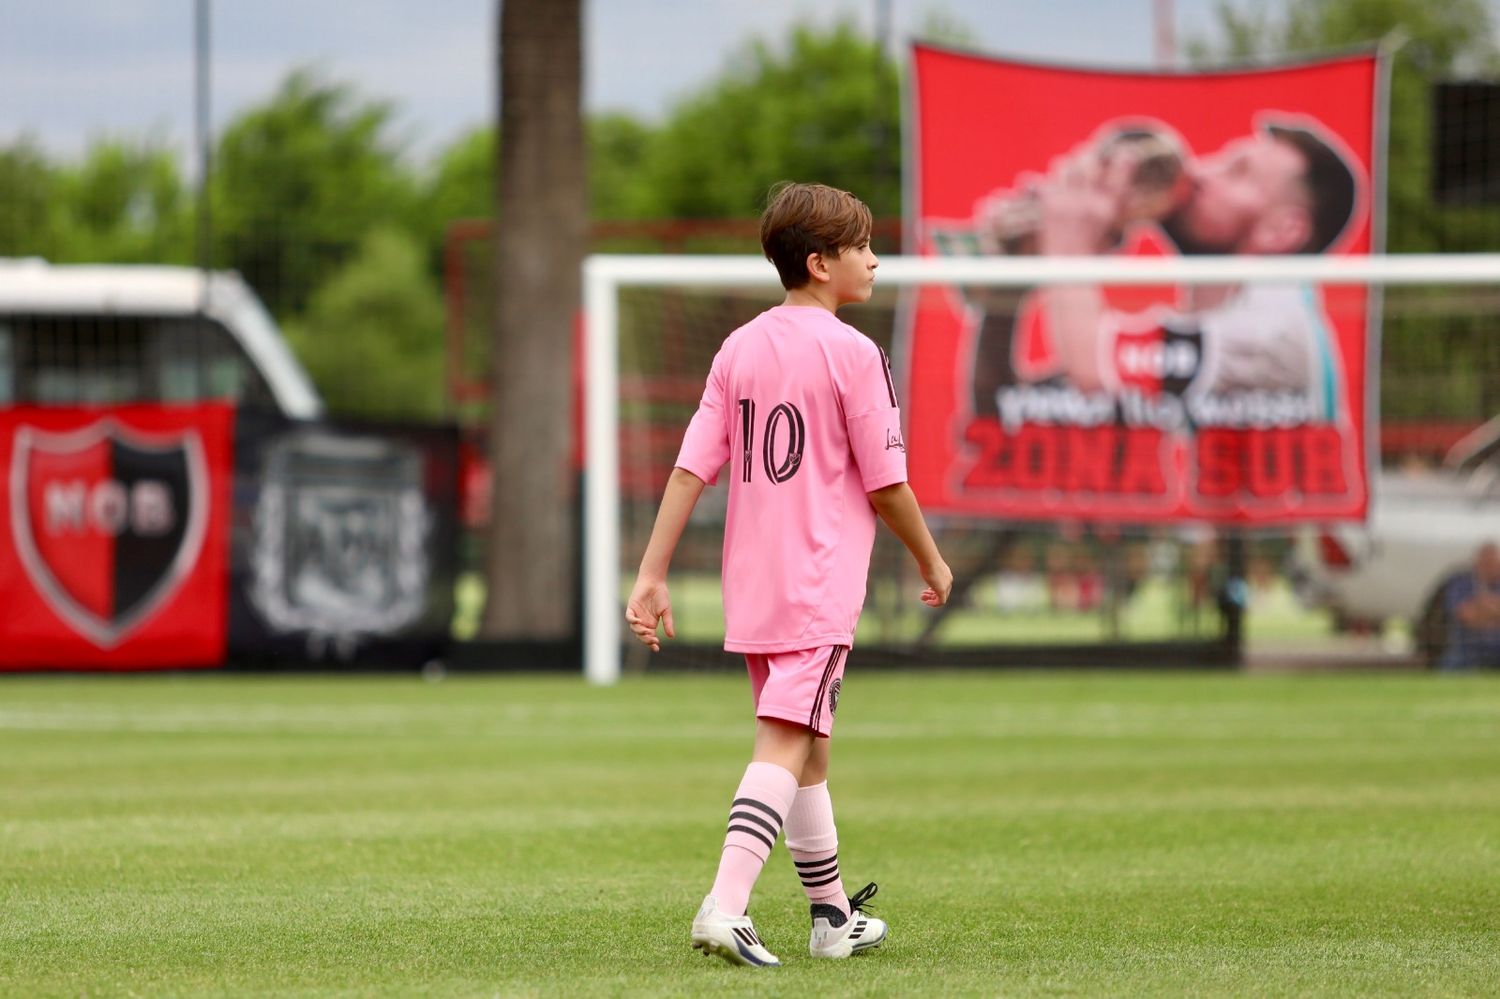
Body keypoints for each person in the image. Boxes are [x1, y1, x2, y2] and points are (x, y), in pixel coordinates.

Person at [624, 181, 954, 967]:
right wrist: (933, 559)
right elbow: (886, 484)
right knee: (784, 741)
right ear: (819, 263)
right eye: (861, 247)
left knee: (810, 748)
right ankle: (725, 905)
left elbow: (687, 471)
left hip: (756, 584)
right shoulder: (856, 353)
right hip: (817, 584)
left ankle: (831, 914)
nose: (874, 259)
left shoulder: (737, 346)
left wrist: (650, 573)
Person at [968, 120, 1358, 422]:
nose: (1201, 173)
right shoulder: (1197, 332)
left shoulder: (1275, 329)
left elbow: (1096, 379)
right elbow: (1005, 410)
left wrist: (1070, 243)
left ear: (1282, 230)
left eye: (1236, 173)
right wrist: (1012, 283)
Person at [1439, 541, 1500, 672]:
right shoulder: (1461, 583)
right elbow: (1465, 615)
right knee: (1452, 666)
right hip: (1469, 646)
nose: (1489, 567)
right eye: (1485, 563)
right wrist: (1493, 612)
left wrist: (1481, 606)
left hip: (1497, 644)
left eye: (1493, 563)